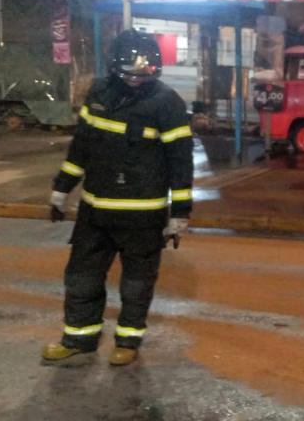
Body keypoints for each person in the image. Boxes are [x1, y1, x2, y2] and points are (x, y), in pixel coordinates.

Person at [42, 29, 193, 366]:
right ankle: (78, 339)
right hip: (95, 213)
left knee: (137, 283)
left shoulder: (167, 103)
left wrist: (180, 213)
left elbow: (180, 163)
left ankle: (128, 341)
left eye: (146, 75)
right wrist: (61, 188)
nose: (137, 81)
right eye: (130, 75)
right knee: (81, 276)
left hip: (143, 216)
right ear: (114, 68)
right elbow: (81, 146)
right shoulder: (99, 95)